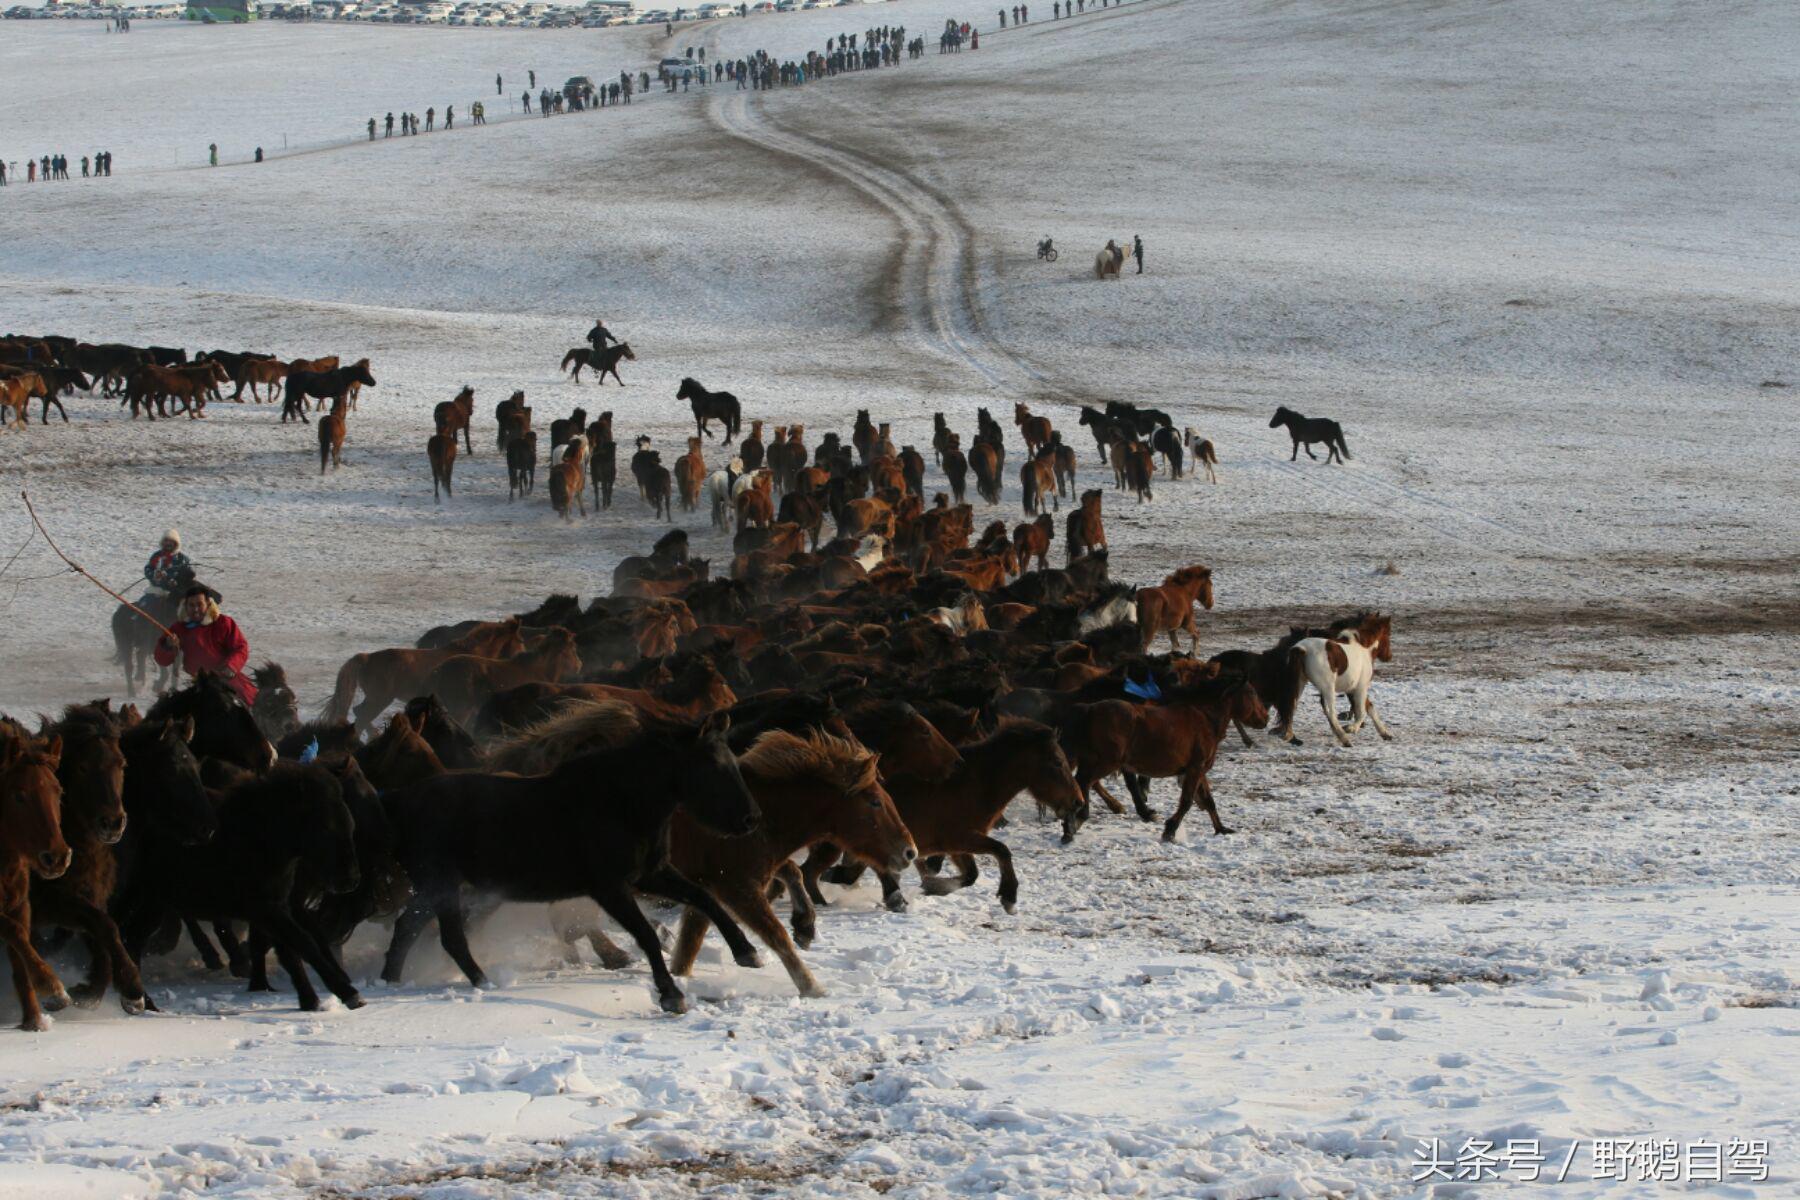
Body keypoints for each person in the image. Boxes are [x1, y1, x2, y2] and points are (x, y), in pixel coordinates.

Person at [153, 583, 258, 707]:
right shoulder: (178, 629)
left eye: (199, 604)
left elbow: (240, 647)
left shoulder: (224, 623)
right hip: (197, 683)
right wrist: (168, 645)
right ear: (185, 606)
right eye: (191, 605)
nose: (195, 609)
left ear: (208, 604)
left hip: (227, 678)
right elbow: (161, 660)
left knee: (250, 706)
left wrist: (231, 666)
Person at [143, 529, 192, 598]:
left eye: (171, 541)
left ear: (176, 543)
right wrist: (155, 574)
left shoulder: (182, 558)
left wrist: (176, 582)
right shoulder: (156, 556)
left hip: (177, 592)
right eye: (166, 540)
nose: (168, 543)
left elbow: (189, 575)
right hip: (156, 591)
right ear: (162, 542)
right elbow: (148, 569)